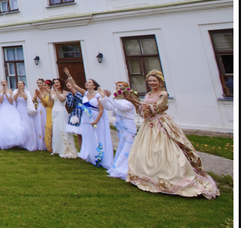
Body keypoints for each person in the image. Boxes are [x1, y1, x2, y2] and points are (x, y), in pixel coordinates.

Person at [123, 71, 219, 199]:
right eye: (150, 81)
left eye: (154, 81)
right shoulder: (148, 94)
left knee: (163, 150)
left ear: (160, 82)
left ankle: (173, 178)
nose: (152, 83)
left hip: (161, 124)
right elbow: (143, 112)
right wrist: (135, 102)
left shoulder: (163, 94)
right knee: (145, 151)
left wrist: (136, 101)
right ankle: (148, 177)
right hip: (149, 125)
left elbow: (156, 108)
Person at [100, 81, 137, 179]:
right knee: (122, 146)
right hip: (120, 127)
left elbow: (121, 107)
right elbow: (109, 107)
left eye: (120, 86)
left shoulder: (130, 99)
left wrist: (110, 97)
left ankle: (126, 167)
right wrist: (104, 98)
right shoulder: (118, 99)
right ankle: (118, 166)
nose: (117, 88)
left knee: (128, 146)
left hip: (128, 126)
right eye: (116, 86)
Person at [78, 79, 113, 169]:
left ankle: (99, 156)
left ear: (94, 86)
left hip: (95, 117)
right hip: (86, 117)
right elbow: (75, 87)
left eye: (89, 82)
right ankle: (90, 155)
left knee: (96, 136)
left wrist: (96, 120)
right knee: (88, 136)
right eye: (86, 82)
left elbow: (101, 110)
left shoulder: (98, 96)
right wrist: (69, 76)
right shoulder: (85, 93)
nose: (87, 83)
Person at [50, 78, 77, 158]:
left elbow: (61, 100)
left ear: (61, 83)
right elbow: (50, 101)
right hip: (54, 110)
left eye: (57, 82)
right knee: (56, 129)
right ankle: (57, 149)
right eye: (54, 83)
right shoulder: (52, 91)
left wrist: (57, 93)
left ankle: (65, 148)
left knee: (62, 128)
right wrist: (50, 92)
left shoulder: (65, 92)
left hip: (62, 111)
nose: (56, 84)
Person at [0, 80, 24, 150]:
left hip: (9, 107)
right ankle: (4, 141)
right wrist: (3, 94)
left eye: (4, 82)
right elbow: (0, 101)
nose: (3, 83)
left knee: (11, 123)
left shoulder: (10, 91)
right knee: (3, 124)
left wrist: (6, 94)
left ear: (7, 83)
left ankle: (13, 140)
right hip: (3, 107)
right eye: (2, 82)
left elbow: (11, 101)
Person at [64, 70, 85, 152]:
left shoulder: (81, 92)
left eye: (70, 83)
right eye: (67, 83)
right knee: (79, 134)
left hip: (84, 112)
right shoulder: (69, 94)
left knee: (85, 133)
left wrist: (75, 93)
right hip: (76, 113)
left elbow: (82, 100)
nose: (68, 84)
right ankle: (82, 150)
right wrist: (72, 95)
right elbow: (70, 105)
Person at [14, 81, 38, 151]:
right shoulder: (16, 92)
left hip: (24, 109)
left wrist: (22, 91)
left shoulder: (26, 92)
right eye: (18, 83)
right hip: (18, 109)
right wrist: (18, 91)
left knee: (27, 124)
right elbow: (14, 99)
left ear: (24, 85)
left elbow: (25, 98)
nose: (19, 85)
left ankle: (28, 143)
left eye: (21, 83)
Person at [34, 79, 49, 151]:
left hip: (45, 107)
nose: (39, 84)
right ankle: (41, 143)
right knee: (40, 123)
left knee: (46, 123)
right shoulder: (37, 91)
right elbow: (33, 99)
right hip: (39, 107)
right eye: (38, 83)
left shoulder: (47, 91)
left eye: (40, 83)